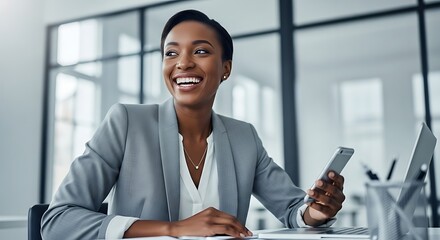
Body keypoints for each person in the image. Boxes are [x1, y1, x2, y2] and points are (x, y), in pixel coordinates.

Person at [41, 9, 346, 239]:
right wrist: (172, 229)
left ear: (225, 69)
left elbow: (293, 210)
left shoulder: (244, 138)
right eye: (171, 53)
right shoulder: (126, 123)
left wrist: (317, 211)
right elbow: (58, 221)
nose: (183, 63)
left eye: (200, 51)